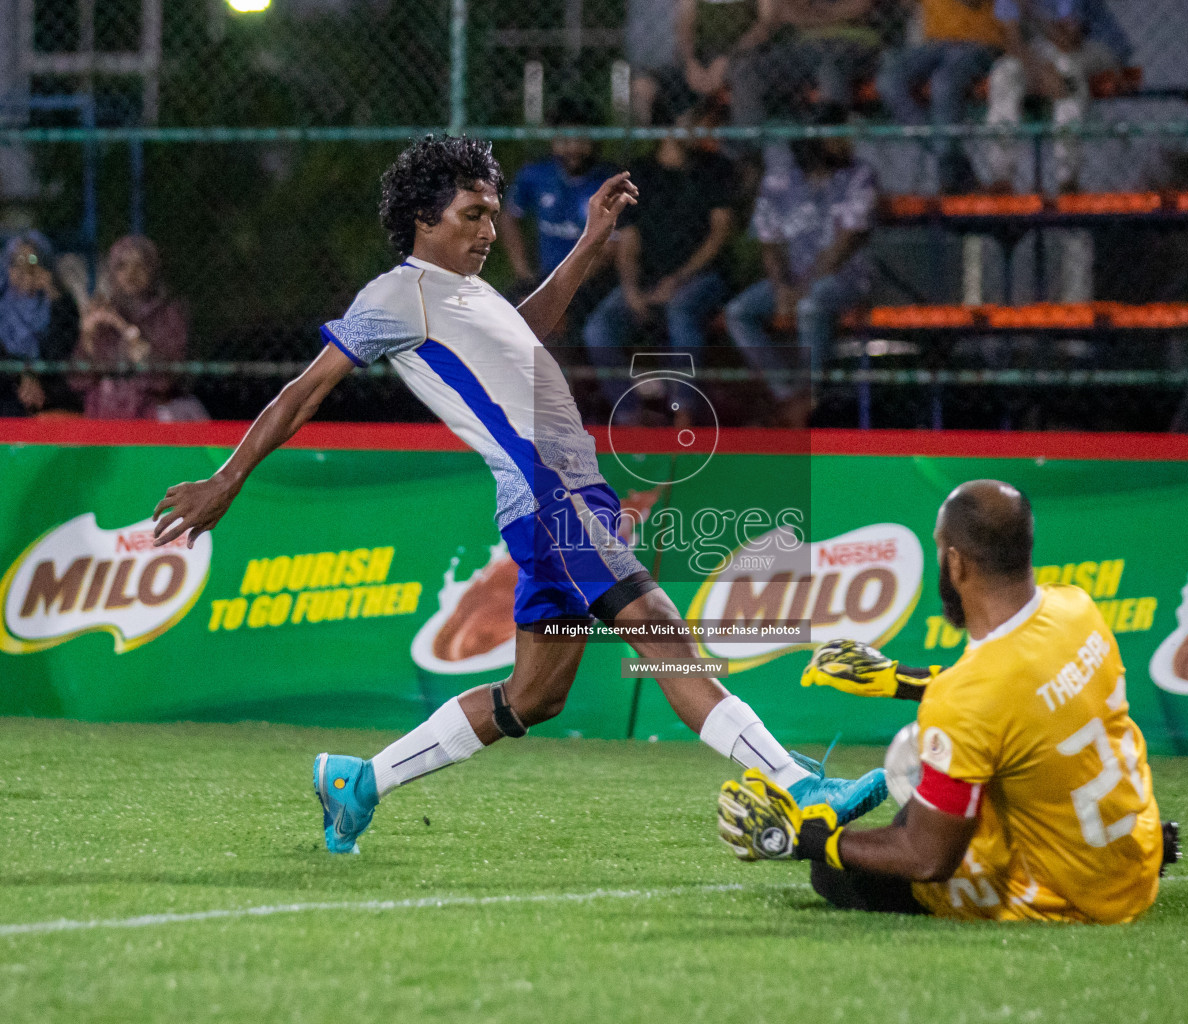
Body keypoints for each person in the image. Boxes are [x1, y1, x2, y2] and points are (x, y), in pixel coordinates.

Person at [150, 135, 888, 857]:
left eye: (495, 213)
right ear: (424, 220)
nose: (490, 229)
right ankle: (796, 782)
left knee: (532, 698)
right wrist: (228, 477)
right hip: (549, 498)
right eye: (473, 214)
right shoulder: (396, 295)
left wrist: (593, 239)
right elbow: (302, 393)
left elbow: (522, 334)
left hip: (567, 497)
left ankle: (361, 781)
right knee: (663, 634)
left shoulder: (465, 295)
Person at [719, 480, 1170, 924]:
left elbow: (927, 859)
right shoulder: (1077, 610)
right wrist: (898, 679)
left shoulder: (966, 700)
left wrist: (808, 840)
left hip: (1074, 899)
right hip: (1136, 859)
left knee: (840, 873)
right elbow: (1014, 693)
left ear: (955, 564)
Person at [583, 103, 737, 424]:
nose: (698, 131)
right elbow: (629, 239)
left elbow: (719, 234)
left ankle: (684, 411)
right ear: (667, 128)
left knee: (680, 310)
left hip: (702, 277)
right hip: (649, 280)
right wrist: (630, 288)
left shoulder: (715, 168)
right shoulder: (641, 174)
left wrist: (679, 278)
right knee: (598, 328)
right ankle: (629, 417)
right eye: (690, 122)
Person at [724, 115, 877, 427]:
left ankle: (810, 395)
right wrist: (781, 287)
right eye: (838, 136)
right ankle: (788, 393)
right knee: (738, 312)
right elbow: (770, 242)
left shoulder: (859, 175)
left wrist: (800, 289)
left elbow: (844, 246)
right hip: (793, 280)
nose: (846, 142)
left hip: (847, 277)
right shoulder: (781, 181)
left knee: (811, 305)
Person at [984, 0, 1131, 194]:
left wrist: (1030, 11)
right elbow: (1012, 41)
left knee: (1067, 71)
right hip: (1047, 53)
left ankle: (1067, 177)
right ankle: (1001, 176)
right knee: (1003, 74)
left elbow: (1070, 42)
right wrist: (1040, 72)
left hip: (1096, 46)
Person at [875, 0, 1010, 194]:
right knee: (888, 81)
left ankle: (950, 174)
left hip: (979, 42)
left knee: (943, 83)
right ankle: (950, 158)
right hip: (935, 43)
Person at [497, 100, 618, 296]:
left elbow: (609, 250)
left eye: (581, 140)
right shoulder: (536, 174)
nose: (573, 149)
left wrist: (559, 289)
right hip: (544, 278)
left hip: (590, 282)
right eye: (565, 141)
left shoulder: (608, 182)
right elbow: (509, 217)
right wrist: (524, 273)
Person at [70, 235, 191, 420]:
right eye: (122, 266)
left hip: (154, 414)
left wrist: (126, 330)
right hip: (103, 413)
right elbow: (78, 381)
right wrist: (88, 335)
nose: (131, 274)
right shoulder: (103, 313)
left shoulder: (169, 314)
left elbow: (165, 382)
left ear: (152, 270)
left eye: (140, 266)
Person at [0, 232, 80, 417]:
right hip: (3, 396)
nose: (25, 269)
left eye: (33, 260)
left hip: (51, 396)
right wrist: (21, 375)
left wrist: (54, 294)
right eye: (17, 262)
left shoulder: (61, 305)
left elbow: (65, 346)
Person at [726, 0, 881, 125]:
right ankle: (750, 146)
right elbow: (788, 11)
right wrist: (834, 14)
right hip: (805, 48)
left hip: (852, 43)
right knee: (746, 71)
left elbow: (862, 5)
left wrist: (812, 16)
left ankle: (831, 140)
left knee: (829, 65)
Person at [629, 0, 777, 126]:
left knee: (742, 75)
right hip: (702, 59)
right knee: (644, 84)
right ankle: (668, 148)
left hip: (746, 55)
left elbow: (765, 26)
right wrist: (690, 63)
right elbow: (685, 24)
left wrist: (727, 59)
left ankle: (744, 147)